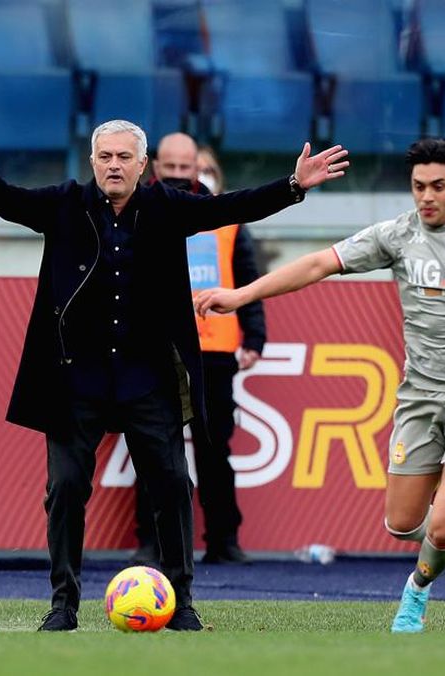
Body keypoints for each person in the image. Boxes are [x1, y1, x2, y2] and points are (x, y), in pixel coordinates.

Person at [0, 111, 348, 631]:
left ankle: (181, 601)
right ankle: (63, 603)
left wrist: (294, 185)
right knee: (66, 489)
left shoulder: (168, 206)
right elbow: (7, 200)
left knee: (172, 484)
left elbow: (234, 205)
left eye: (123, 158)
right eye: (104, 157)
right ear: (92, 161)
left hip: (148, 377)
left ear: (144, 165)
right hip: (76, 378)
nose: (113, 166)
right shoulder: (65, 204)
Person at [195, 138, 445, 632]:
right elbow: (319, 263)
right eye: (417, 187)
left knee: (443, 525)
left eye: (437, 187)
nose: (426, 197)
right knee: (403, 523)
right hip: (422, 394)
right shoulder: (398, 235)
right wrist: (241, 295)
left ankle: (416, 593)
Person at [131, 133, 265, 566]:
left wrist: (255, 336)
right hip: (153, 348)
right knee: (153, 448)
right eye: (168, 169)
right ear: (155, 167)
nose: (175, 177)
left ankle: (223, 540)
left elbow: (247, 279)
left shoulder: (223, 217)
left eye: (184, 169)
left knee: (214, 451)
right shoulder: (134, 211)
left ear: (198, 168)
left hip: (213, 350)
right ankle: (151, 543)